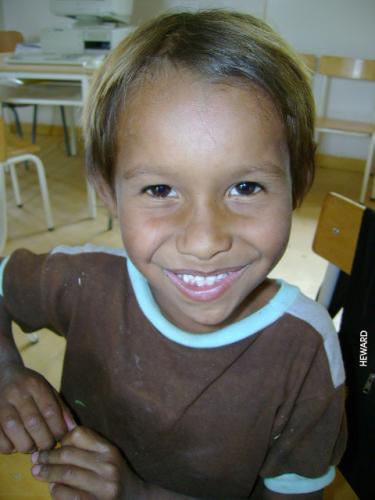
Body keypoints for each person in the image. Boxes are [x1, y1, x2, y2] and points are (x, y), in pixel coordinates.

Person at [0, 10, 346, 500]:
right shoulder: (83, 282)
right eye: (160, 189)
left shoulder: (306, 351)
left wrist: (138, 495)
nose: (204, 241)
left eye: (245, 186)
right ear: (107, 193)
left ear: (298, 185)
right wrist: (6, 371)